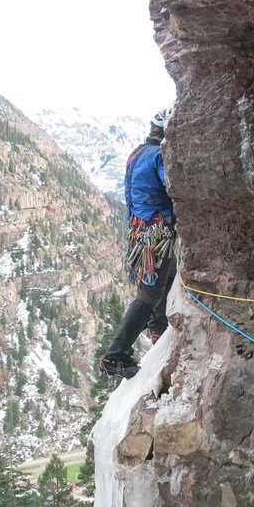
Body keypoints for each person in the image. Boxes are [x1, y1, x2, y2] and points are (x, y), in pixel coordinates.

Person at [99, 108, 177, 378]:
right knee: (149, 294)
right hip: (157, 231)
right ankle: (116, 355)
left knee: (169, 273)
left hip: (140, 230)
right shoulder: (158, 156)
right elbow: (173, 187)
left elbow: (130, 195)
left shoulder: (136, 154)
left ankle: (158, 326)